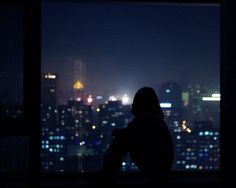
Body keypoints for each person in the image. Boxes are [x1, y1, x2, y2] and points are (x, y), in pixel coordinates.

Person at [101, 87, 174, 186]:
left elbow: (130, 135)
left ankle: (106, 179)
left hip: (155, 178)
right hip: (160, 177)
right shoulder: (158, 122)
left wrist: (121, 134)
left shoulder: (142, 123)